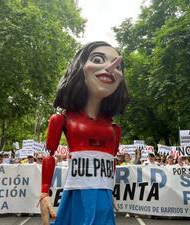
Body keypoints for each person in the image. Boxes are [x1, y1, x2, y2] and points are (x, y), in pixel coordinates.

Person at [40, 41, 129, 225]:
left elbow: (111, 160)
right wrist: (43, 193)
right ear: (79, 68)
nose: (111, 68)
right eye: (98, 59)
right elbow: (50, 154)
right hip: (76, 193)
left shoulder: (114, 129)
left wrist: (109, 189)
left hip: (103, 195)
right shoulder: (61, 119)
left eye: (117, 65)